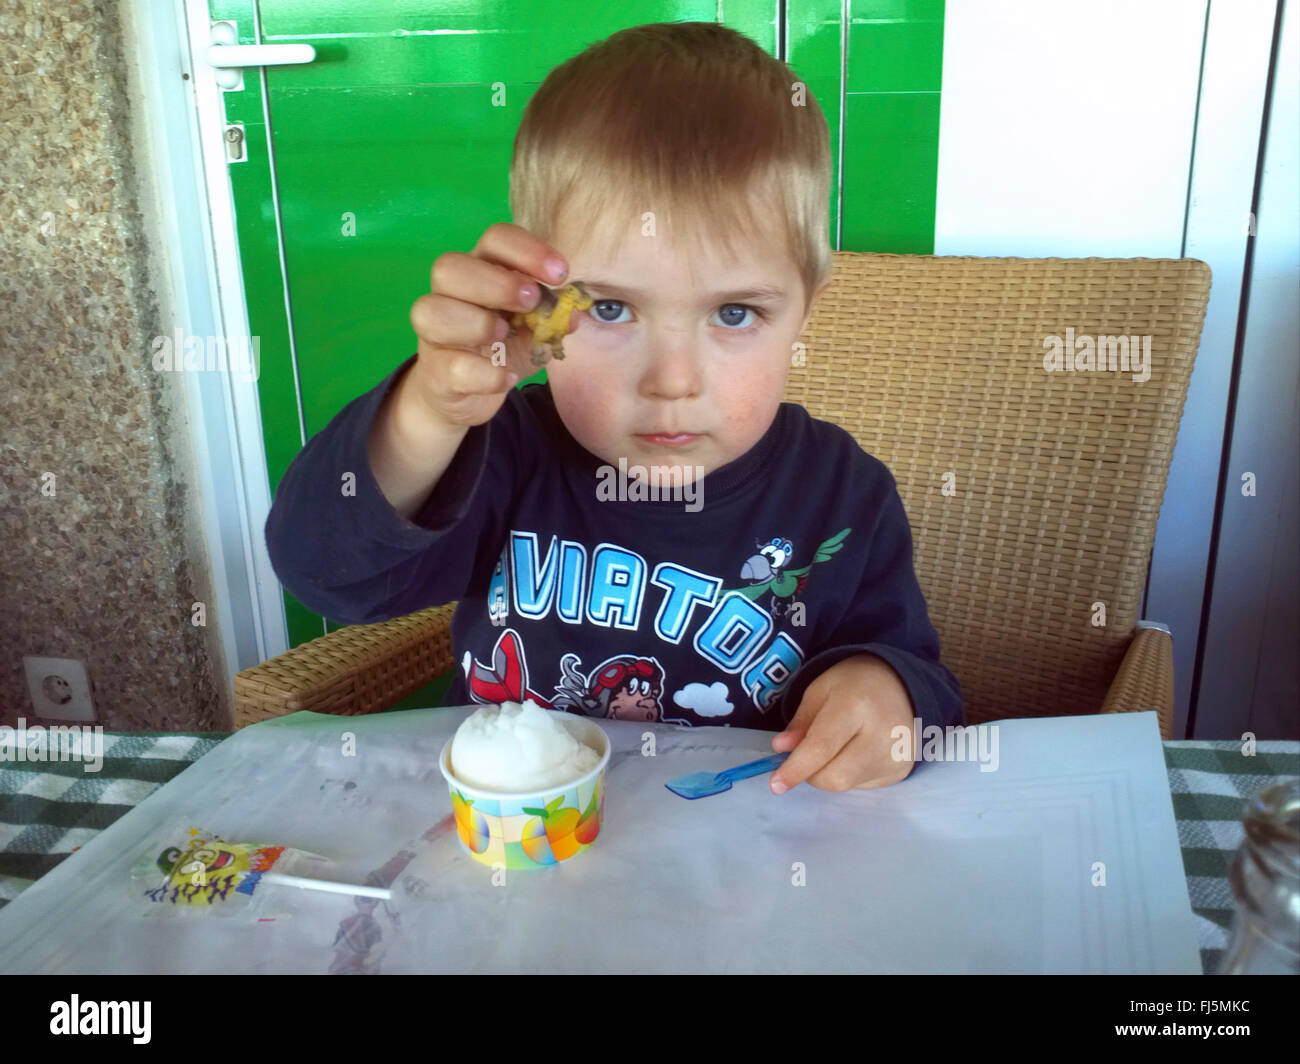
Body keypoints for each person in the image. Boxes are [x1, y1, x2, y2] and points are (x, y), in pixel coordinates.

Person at [266, 21, 962, 794]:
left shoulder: (843, 494)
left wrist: (884, 691)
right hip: (513, 858)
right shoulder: (503, 453)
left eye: (733, 314)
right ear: (532, 306)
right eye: (610, 310)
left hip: (738, 868)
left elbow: (916, 674)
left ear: (805, 312)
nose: (671, 380)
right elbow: (322, 571)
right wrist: (427, 416)